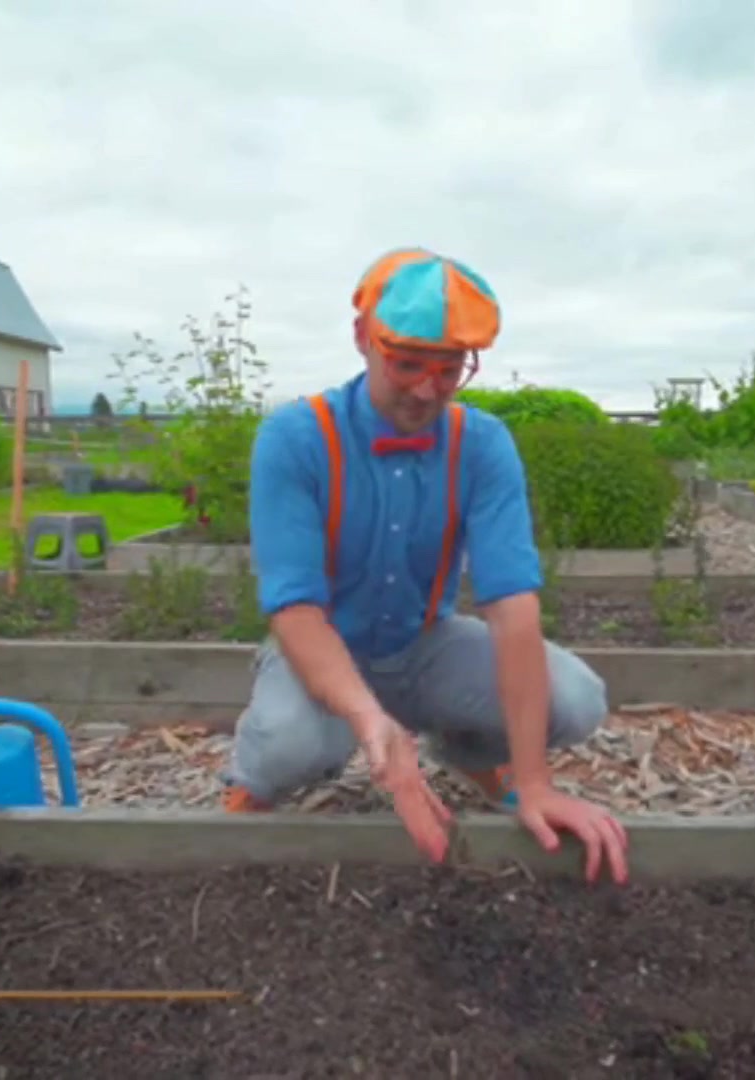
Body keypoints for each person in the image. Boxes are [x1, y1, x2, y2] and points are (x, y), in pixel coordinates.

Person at [219, 247, 631, 885]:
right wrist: (371, 724)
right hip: (323, 649)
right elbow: (295, 609)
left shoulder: (483, 444)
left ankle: (475, 757)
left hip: (422, 642)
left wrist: (535, 781)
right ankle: (257, 784)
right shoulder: (295, 439)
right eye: (406, 364)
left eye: (448, 371)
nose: (425, 389)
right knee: (289, 745)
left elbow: (512, 605)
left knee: (576, 700)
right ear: (362, 337)